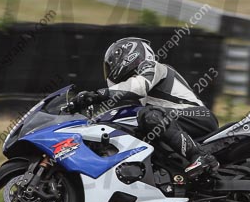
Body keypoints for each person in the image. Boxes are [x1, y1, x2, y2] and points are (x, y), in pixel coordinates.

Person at [63, 37, 220, 178]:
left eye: (110, 65)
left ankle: (201, 155)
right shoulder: (139, 93)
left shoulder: (152, 66)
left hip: (199, 116)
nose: (109, 72)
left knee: (149, 115)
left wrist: (97, 95)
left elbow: (138, 86)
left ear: (128, 56)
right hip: (177, 121)